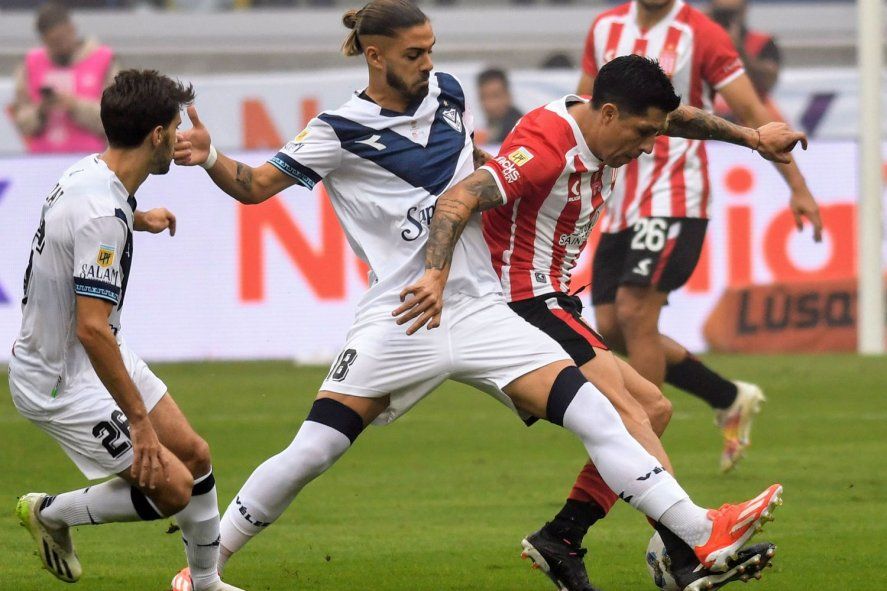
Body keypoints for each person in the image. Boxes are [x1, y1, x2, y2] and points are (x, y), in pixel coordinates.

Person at [171, 1, 783, 587]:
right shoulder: (339, 130)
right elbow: (253, 186)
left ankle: (697, 534)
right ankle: (202, 570)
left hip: (482, 311)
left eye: (431, 49)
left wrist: (511, 172)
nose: (428, 63)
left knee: (603, 415)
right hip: (404, 315)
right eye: (414, 54)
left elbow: (475, 169)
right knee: (314, 449)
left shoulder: (449, 94)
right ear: (375, 56)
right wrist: (211, 157)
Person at [402, 54, 802, 591]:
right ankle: (692, 545)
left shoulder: (613, 120)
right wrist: (434, 275)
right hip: (520, 300)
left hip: (553, 299)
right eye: (642, 134)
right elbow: (460, 198)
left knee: (654, 408)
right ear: (609, 114)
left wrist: (752, 137)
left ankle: (562, 539)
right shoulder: (547, 146)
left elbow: (676, 119)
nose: (649, 147)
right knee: (629, 410)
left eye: (654, 133)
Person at [10, 69, 243, 591]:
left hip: (92, 356)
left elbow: (85, 222)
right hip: (59, 382)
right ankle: (50, 512)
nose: (179, 138)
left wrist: (139, 218)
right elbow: (91, 329)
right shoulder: (102, 215)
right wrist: (139, 422)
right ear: (156, 135)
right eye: (174, 128)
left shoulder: (90, 175)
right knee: (174, 489)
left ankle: (205, 583)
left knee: (196, 455)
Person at [577, 0, 822, 474]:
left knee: (635, 311)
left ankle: (641, 455)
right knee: (609, 325)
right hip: (620, 196)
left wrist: (798, 186)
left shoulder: (700, 33)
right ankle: (727, 397)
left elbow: (750, 109)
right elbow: (586, 104)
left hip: (675, 194)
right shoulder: (605, 27)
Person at [9, 2, 117, 154]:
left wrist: (75, 105)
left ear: (72, 29)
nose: (59, 46)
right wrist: (41, 111)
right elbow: (20, 121)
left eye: (62, 38)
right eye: (52, 42)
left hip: (92, 157)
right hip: (40, 159)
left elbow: (116, 118)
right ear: (43, 39)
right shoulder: (31, 63)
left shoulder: (103, 60)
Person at [710, 0, 783, 122]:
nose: (726, 18)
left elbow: (768, 82)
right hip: (708, 115)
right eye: (722, 13)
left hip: (751, 117)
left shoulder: (762, 42)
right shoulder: (695, 40)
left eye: (731, 13)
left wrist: (739, 50)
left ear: (744, 10)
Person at [477, 68, 523, 143]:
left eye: (495, 96)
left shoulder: (518, 129)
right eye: (483, 97)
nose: (489, 104)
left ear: (508, 95)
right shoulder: (495, 124)